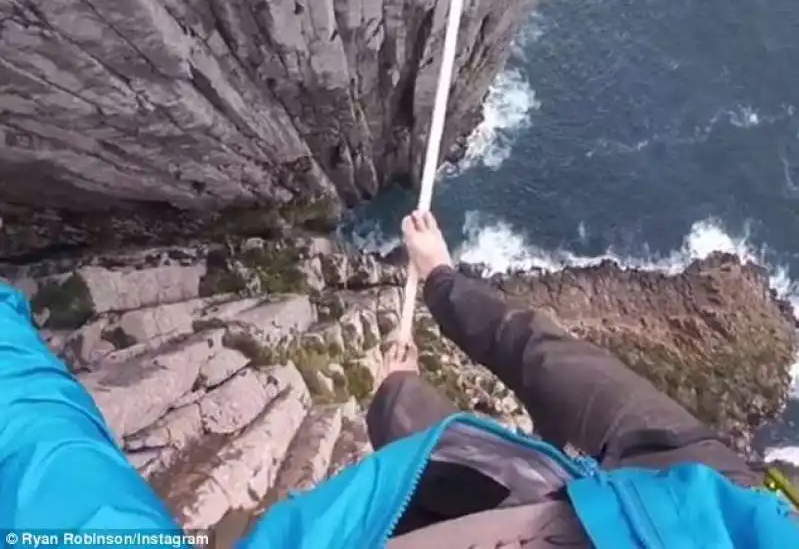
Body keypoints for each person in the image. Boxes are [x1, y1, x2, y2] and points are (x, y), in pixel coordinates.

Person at [0, 212, 797, 548]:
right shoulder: (710, 500)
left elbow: (551, 365)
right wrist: (403, 385)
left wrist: (438, 296)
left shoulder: (709, 499)